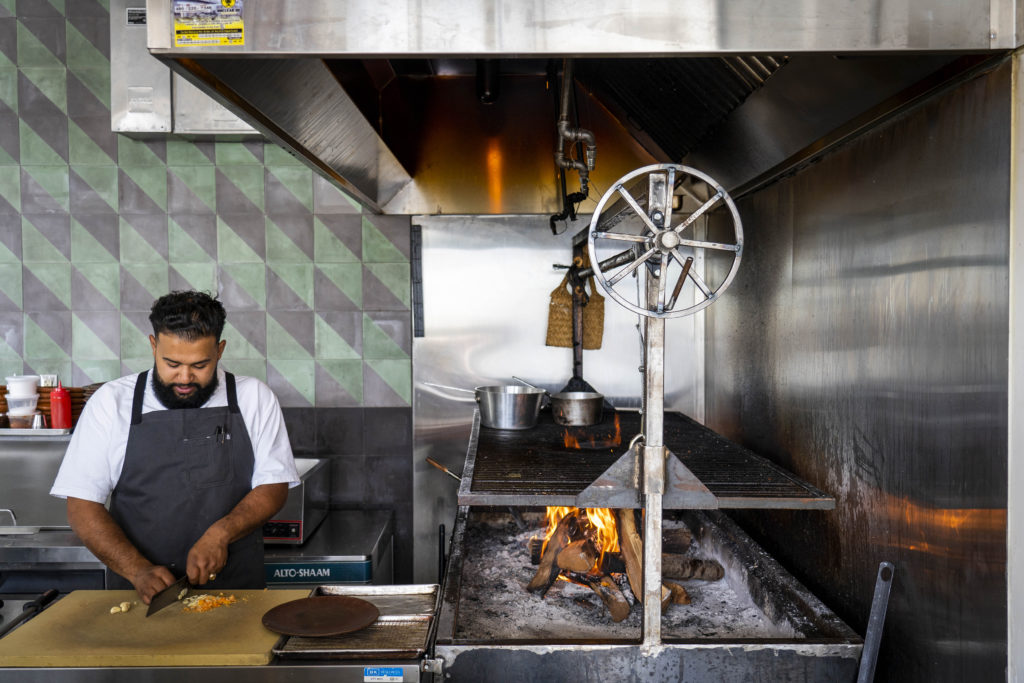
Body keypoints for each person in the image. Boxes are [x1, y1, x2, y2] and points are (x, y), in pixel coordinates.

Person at [51, 291, 299, 603]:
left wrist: (220, 534)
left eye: (200, 364)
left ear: (220, 351)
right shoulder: (112, 403)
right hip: (138, 598)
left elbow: (274, 486)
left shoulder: (254, 398)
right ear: (153, 346)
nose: (184, 377)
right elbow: (82, 506)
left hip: (237, 592)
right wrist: (137, 570)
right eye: (171, 363)